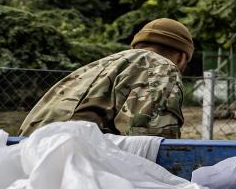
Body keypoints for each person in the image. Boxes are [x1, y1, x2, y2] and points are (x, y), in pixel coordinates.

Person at [20, 18, 193, 138]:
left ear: (135, 46)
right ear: (182, 57)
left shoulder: (95, 67)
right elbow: (150, 142)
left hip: (27, 164)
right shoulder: (162, 66)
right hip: (72, 172)